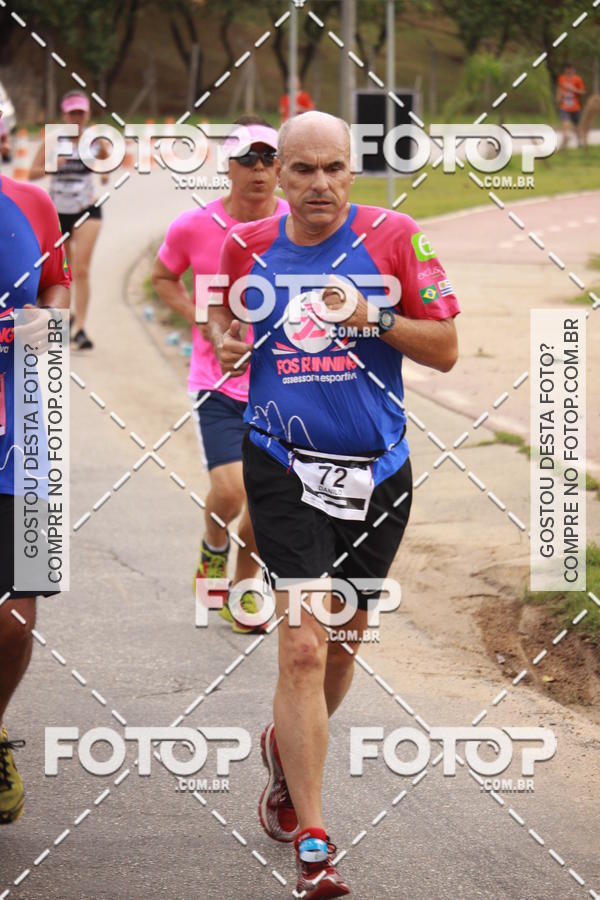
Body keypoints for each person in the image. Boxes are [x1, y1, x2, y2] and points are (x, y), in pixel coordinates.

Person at [208, 110, 459, 897]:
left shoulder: (395, 235)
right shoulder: (246, 243)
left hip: (379, 469)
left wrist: (375, 317)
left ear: (352, 171)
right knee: (304, 646)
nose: (320, 184)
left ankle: (285, 759)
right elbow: (221, 318)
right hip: (282, 462)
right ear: (278, 177)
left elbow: (447, 348)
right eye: (303, 170)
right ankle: (315, 837)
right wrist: (224, 336)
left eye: (334, 169)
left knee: (344, 645)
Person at [151, 116, 289, 634]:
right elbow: (163, 276)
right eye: (247, 159)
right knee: (231, 491)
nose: (258, 169)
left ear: (280, 170)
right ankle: (213, 547)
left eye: (268, 159)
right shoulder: (193, 226)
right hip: (217, 381)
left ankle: (244, 586)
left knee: (265, 500)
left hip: (280, 382)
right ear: (227, 168)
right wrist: (198, 317)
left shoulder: (297, 225)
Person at [0, 107, 70, 825]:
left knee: (18, 618)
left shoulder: (33, 203)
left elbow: (56, 289)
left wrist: (41, 324)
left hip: (24, 433)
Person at [29, 90, 108, 349]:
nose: (76, 117)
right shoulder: (53, 139)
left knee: (83, 269)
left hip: (87, 207)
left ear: (87, 115)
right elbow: (31, 173)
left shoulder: (93, 139)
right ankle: (68, 317)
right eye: (72, 112)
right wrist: (53, 164)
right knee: (65, 271)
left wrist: (104, 171)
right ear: (64, 114)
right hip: (57, 211)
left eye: (80, 113)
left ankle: (81, 330)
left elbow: (107, 160)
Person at [557, 62, 585, 150]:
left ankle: (580, 141)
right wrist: (558, 97)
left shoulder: (578, 79)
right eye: (567, 69)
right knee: (565, 124)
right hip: (564, 107)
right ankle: (565, 140)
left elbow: (583, 92)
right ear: (565, 70)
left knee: (576, 126)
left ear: (573, 70)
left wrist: (573, 89)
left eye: (570, 69)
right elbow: (560, 89)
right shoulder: (561, 78)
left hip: (575, 107)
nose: (569, 71)